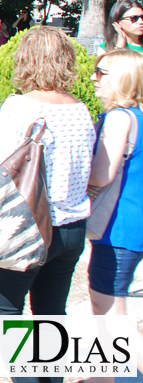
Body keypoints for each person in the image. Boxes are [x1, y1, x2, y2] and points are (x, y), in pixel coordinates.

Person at [0, 27, 93, 365]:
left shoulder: (18, 107)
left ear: (25, 61)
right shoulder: (81, 110)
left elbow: (5, 173)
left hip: (28, 226)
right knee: (51, 315)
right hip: (72, 226)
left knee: (7, 314)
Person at [86, 50, 143, 382]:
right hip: (132, 226)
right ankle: (101, 375)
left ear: (120, 77)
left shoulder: (120, 117)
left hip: (118, 228)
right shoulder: (138, 115)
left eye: (101, 72)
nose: (95, 77)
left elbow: (101, 173)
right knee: (107, 306)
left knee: (110, 309)